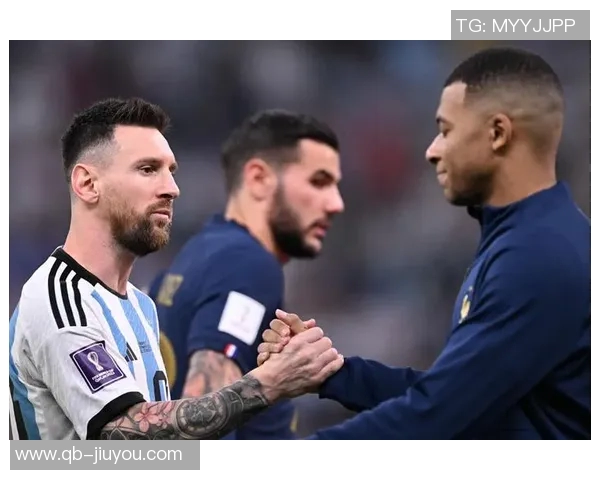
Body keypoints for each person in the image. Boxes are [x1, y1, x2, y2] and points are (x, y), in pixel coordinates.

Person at [257, 47, 591, 439]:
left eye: (446, 130)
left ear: (498, 134)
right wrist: (332, 374)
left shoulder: (536, 257)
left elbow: (435, 416)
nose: (432, 150)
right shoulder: (532, 238)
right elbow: (459, 397)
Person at [8, 98, 343, 440]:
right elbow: (123, 436)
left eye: (171, 171)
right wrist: (268, 383)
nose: (172, 188)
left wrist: (270, 375)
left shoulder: (140, 305)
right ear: (88, 184)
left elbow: (164, 445)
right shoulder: (60, 301)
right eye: (148, 169)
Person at [148, 109, 345, 439]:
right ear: (258, 179)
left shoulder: (198, 253)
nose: (335, 203)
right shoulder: (247, 264)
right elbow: (201, 417)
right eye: (319, 182)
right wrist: (277, 381)